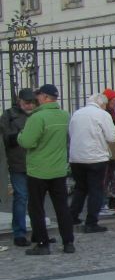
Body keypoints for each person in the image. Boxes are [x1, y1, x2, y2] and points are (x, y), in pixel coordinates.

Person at [17, 84, 75, 256]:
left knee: (36, 208)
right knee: (62, 207)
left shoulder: (37, 117)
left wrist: (20, 135)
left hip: (38, 169)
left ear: (45, 97)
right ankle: (68, 242)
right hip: (58, 168)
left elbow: (27, 142)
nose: (37, 98)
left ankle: (42, 244)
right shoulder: (65, 115)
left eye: (39, 95)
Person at [68, 93, 115, 233]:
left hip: (76, 157)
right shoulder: (102, 114)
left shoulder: (76, 114)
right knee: (95, 189)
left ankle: (73, 216)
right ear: (102, 104)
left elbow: (71, 133)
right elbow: (111, 137)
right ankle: (91, 222)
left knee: (80, 188)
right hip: (95, 157)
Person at [0, 88, 36, 246]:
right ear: (19, 101)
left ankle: (38, 231)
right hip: (18, 163)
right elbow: (5, 139)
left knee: (36, 200)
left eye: (32, 103)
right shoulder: (8, 115)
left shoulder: (38, 114)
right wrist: (22, 135)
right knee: (21, 198)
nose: (30, 106)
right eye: (27, 103)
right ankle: (19, 233)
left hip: (37, 163)